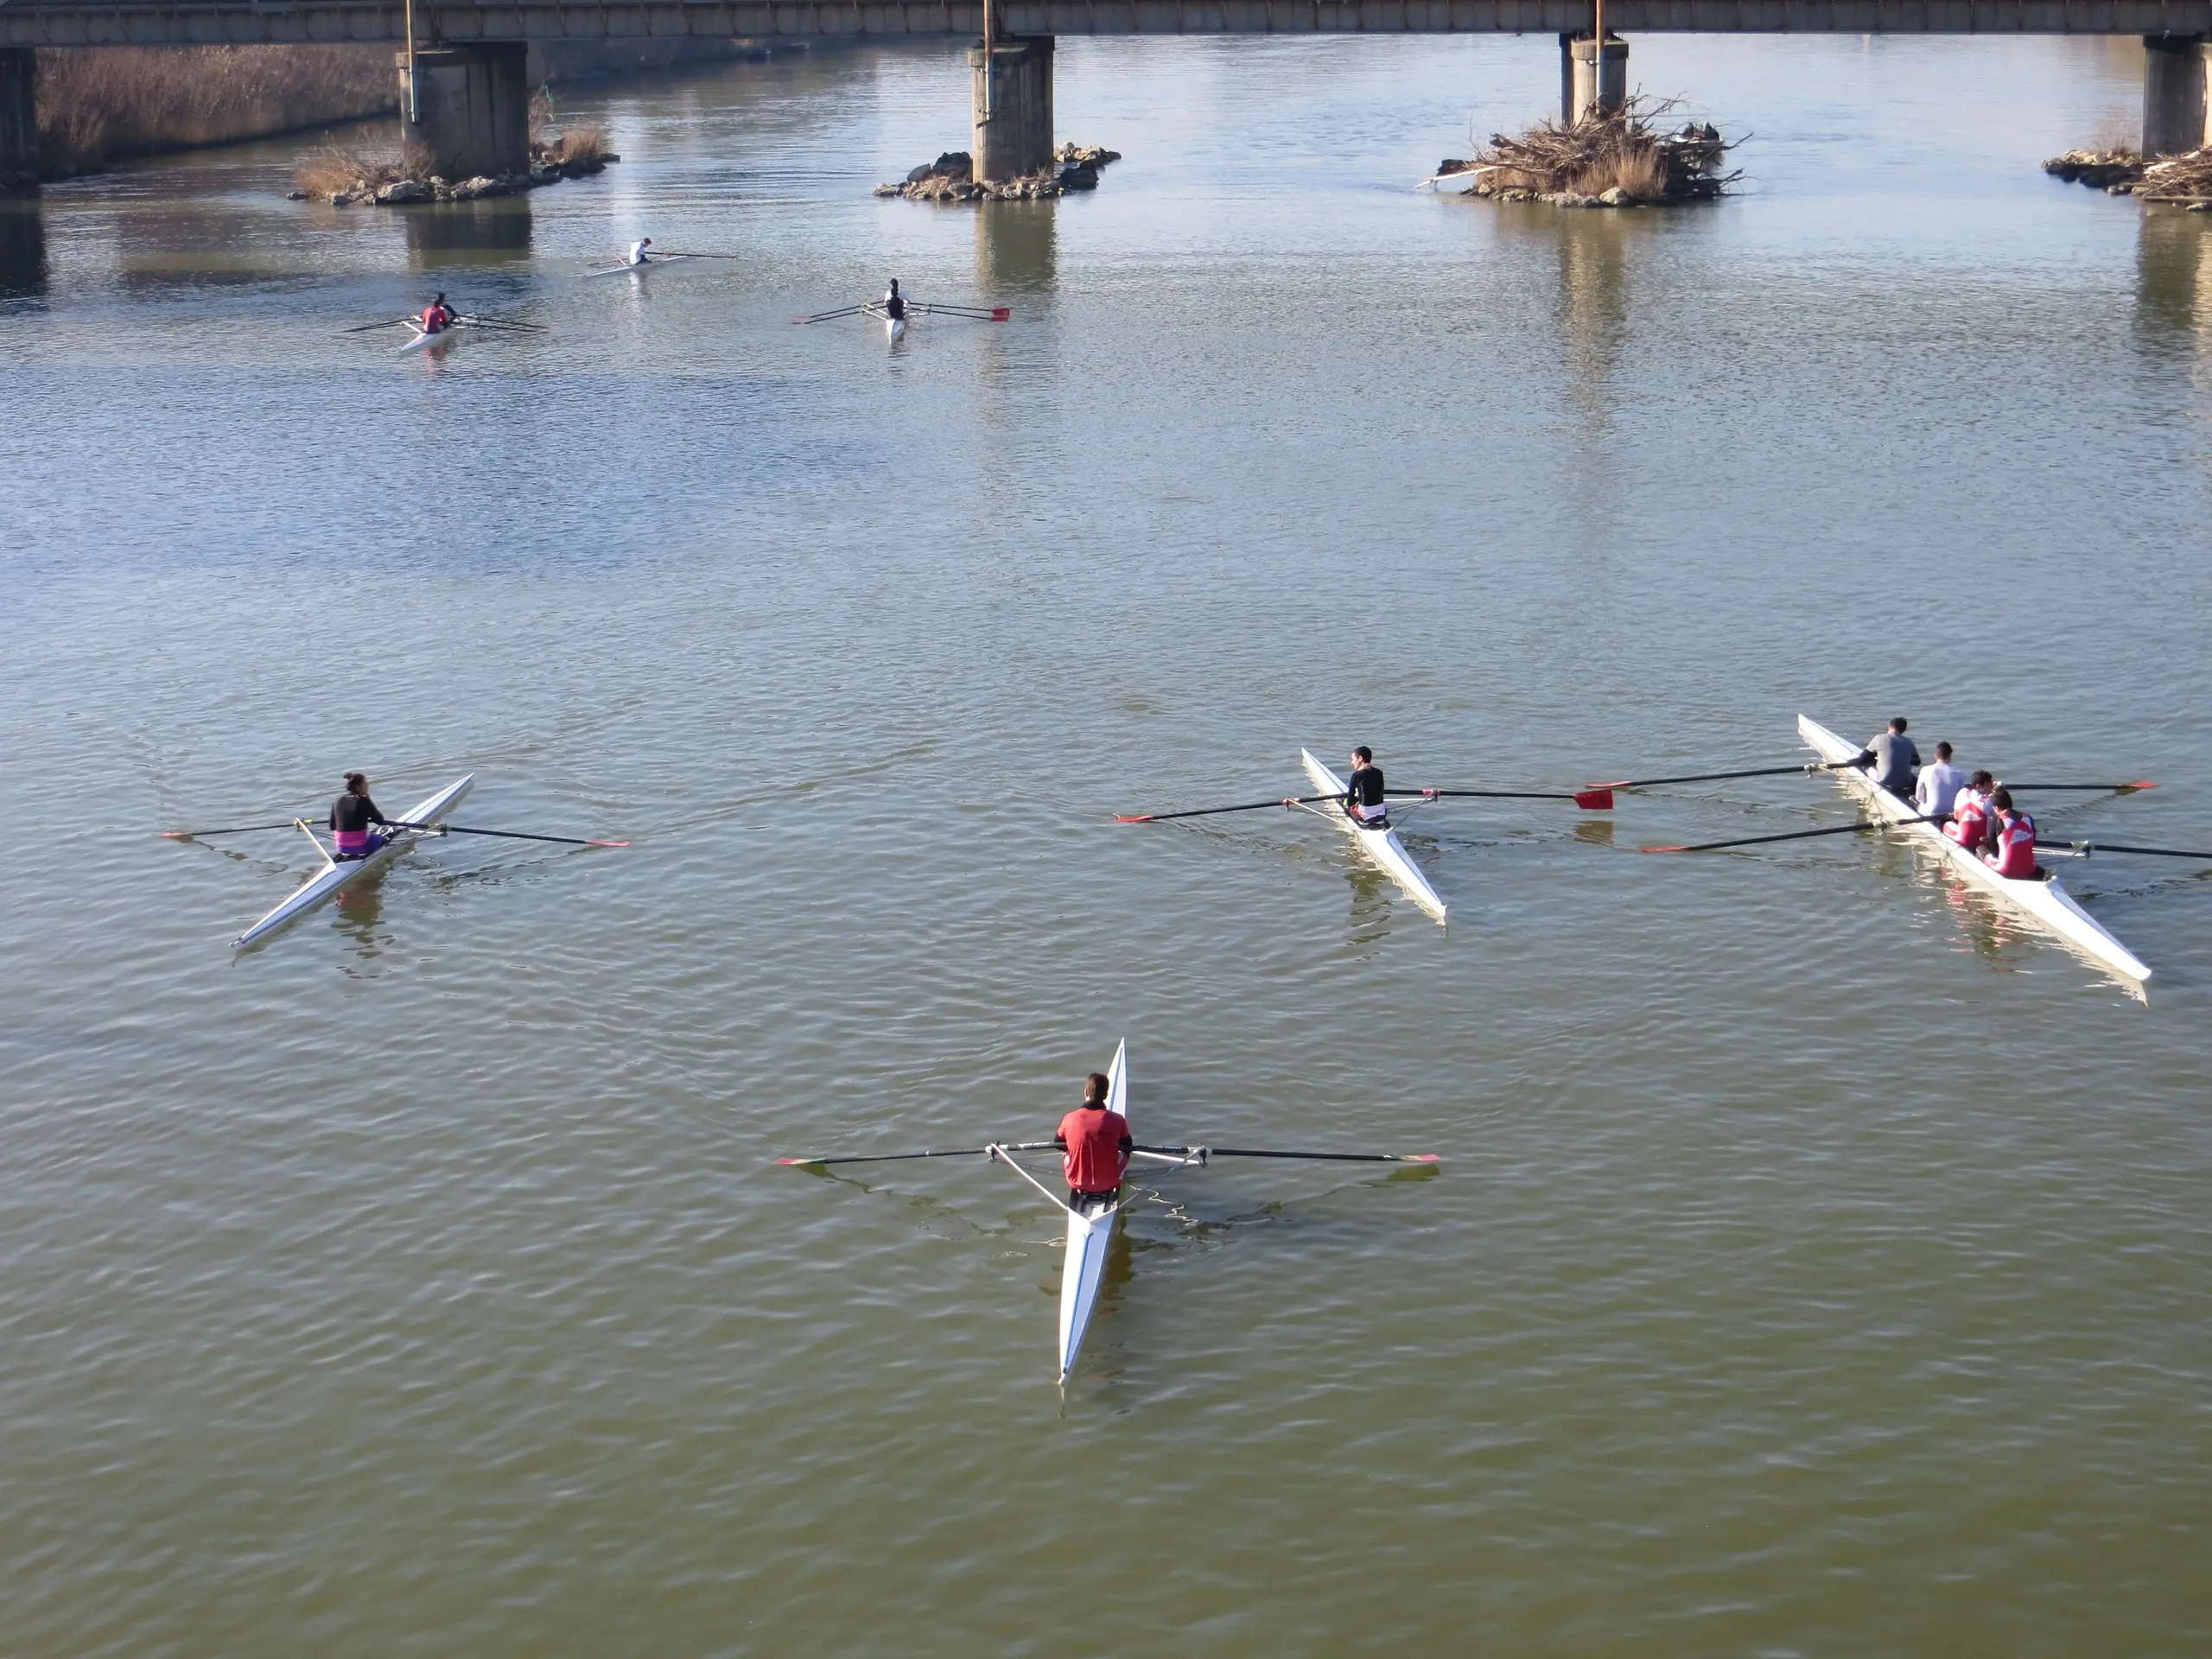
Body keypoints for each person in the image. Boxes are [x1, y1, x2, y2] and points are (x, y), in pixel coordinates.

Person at [1055, 1070, 1131, 1212]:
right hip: (1110, 1182)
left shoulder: (1069, 1118)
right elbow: (1128, 1145)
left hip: (1076, 1182)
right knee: (1125, 1151)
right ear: (1106, 1096)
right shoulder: (1118, 1120)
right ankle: (1110, 1177)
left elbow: (1058, 1143)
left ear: (1085, 1093)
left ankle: (1082, 1179)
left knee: (1066, 1151)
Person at [330, 772, 391, 861]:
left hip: (341, 847)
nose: (368, 786)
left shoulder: (337, 801)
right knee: (385, 839)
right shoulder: (363, 800)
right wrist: (368, 802)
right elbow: (380, 821)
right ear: (358, 787)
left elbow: (332, 826)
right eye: (365, 783)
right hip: (362, 846)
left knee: (364, 836)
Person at [1857, 716, 1920, 800]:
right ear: (1903, 730)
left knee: (1866, 766)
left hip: (1885, 781)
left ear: (1890, 727)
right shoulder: (1908, 741)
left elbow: (1862, 758)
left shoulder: (1879, 738)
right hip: (1905, 782)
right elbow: (1917, 762)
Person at [1983, 789, 2038, 879]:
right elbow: (2033, 842)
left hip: (2006, 871)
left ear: (1996, 808)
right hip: (2029, 869)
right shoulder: (2028, 818)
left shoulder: (1997, 820)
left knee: (1980, 849)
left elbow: (1993, 851)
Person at [1944, 769, 1997, 854]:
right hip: (1981, 842)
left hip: (1963, 841)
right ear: (1979, 786)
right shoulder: (1989, 801)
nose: (1991, 786)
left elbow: (1956, 816)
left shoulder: (1962, 793)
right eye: (1988, 784)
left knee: (1945, 824)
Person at [1340, 745, 1389, 827]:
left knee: (1348, 807)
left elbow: (1350, 801)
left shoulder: (1356, 775)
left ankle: (1361, 821)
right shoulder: (1379, 773)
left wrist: (1351, 801)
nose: (1352, 762)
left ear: (1360, 758)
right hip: (1382, 813)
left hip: (1365, 814)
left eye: (1353, 759)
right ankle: (1379, 820)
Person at [1915, 741, 1966, 819]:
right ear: (1950, 756)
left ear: (1935, 756)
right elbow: (1961, 798)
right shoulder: (1959, 773)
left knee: (1919, 805)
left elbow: (1919, 797)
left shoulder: (1925, 770)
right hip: (1951, 813)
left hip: (1931, 814)